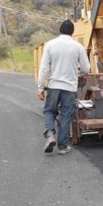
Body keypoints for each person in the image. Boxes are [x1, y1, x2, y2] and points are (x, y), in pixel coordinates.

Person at [37, 20, 90, 154]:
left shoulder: (50, 45)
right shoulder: (78, 47)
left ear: (60, 30)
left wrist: (40, 87)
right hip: (70, 88)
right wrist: (81, 72)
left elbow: (44, 68)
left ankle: (50, 134)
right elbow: (86, 68)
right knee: (66, 115)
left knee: (49, 111)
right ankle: (62, 147)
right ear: (73, 32)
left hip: (54, 86)